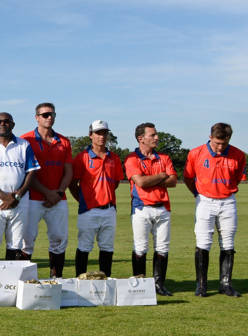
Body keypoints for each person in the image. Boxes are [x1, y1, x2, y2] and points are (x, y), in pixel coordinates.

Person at [184, 122, 247, 297]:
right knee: (203, 242)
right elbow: (188, 177)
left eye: (224, 143)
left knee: (228, 243)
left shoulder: (238, 155)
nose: (220, 147)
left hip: (228, 201)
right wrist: (198, 195)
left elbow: (237, 178)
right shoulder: (195, 153)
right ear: (210, 137)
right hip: (205, 201)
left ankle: (226, 284)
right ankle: (201, 285)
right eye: (217, 143)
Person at [0, 112, 40, 261]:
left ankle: (11, 282)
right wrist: (4, 196)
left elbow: (31, 173)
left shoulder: (24, 145)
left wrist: (17, 196)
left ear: (12, 124)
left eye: (6, 121)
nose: (2, 124)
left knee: (15, 244)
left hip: (20, 202)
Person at [124, 122, 176, 295]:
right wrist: (162, 176)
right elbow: (140, 182)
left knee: (162, 247)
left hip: (163, 208)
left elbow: (173, 181)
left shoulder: (164, 157)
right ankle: (140, 285)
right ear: (141, 138)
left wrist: (150, 178)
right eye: (152, 135)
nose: (156, 138)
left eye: (156, 134)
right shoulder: (132, 159)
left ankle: (159, 285)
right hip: (141, 208)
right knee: (141, 247)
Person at [19, 103, 73, 268]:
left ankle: (56, 281)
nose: (49, 117)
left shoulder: (64, 141)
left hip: (58, 199)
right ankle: (23, 282)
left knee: (59, 242)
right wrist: (47, 193)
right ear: (37, 117)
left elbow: (68, 172)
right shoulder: (25, 140)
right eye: (45, 115)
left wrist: (57, 193)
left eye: (52, 114)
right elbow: (27, 173)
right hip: (33, 198)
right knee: (26, 242)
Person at [69, 121, 122, 278]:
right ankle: (80, 279)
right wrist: (84, 200)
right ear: (90, 135)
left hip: (109, 209)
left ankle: (105, 281)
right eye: (98, 133)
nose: (102, 136)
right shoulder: (82, 157)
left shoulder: (115, 158)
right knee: (84, 246)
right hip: (88, 210)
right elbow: (73, 184)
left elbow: (116, 183)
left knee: (107, 247)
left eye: (104, 133)